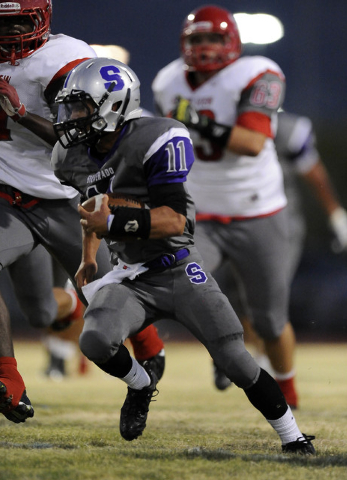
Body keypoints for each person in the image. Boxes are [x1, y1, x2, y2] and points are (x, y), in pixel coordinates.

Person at [51, 56, 315, 454]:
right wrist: (89, 257)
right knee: (94, 340)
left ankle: (292, 435)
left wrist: (115, 223)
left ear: (113, 105)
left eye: (80, 107)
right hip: (130, 275)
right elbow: (94, 211)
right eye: (69, 107)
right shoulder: (71, 156)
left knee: (235, 359)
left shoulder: (159, 137)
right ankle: (141, 385)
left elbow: (176, 222)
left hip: (176, 268)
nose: (70, 117)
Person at [0, 0, 165, 423]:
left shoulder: (64, 58)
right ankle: (8, 382)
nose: (12, 30)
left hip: (66, 198)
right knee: (40, 314)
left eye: (20, 19)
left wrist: (20, 112)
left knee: (111, 289)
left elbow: (86, 137)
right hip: (6, 199)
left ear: (40, 18)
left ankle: (148, 345)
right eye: (3, 21)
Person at [152, 5, 299, 409]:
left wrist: (198, 121)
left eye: (213, 38)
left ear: (231, 41)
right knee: (186, 294)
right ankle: (227, 353)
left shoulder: (257, 72)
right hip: (200, 214)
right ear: (184, 43)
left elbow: (253, 143)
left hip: (258, 211)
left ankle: (287, 392)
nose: (204, 47)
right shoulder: (168, 80)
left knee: (269, 319)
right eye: (196, 39)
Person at [204, 110, 347, 389]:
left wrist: (335, 213)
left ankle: (270, 367)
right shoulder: (215, 121)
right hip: (226, 221)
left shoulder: (285, 129)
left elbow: (313, 171)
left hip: (279, 224)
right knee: (228, 292)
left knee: (267, 293)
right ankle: (241, 352)